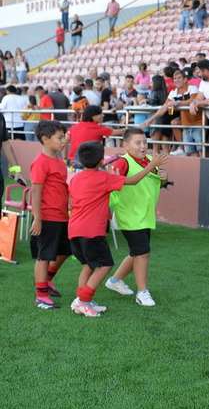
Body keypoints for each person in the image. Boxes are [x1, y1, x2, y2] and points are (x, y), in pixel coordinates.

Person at [67, 141, 166, 317]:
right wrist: (152, 165)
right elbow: (133, 180)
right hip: (92, 232)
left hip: (74, 230)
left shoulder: (75, 178)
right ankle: (83, 301)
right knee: (105, 265)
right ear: (100, 161)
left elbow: (71, 202)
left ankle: (82, 300)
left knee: (88, 266)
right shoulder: (104, 178)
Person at [105, 128, 170, 306]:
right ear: (125, 145)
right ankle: (142, 292)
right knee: (143, 253)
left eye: (144, 142)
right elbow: (119, 183)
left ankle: (115, 281)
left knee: (137, 252)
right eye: (138, 143)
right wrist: (152, 167)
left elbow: (157, 181)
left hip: (145, 215)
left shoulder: (150, 161)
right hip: (129, 215)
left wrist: (164, 178)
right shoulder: (121, 163)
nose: (143, 146)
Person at [29, 120, 71, 310]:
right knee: (43, 256)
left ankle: (47, 280)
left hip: (62, 216)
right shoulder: (40, 163)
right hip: (47, 217)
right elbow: (35, 192)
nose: (64, 141)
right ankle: (41, 296)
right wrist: (37, 218)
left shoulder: (58, 160)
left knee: (65, 251)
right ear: (45, 139)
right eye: (60, 138)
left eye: (64, 137)